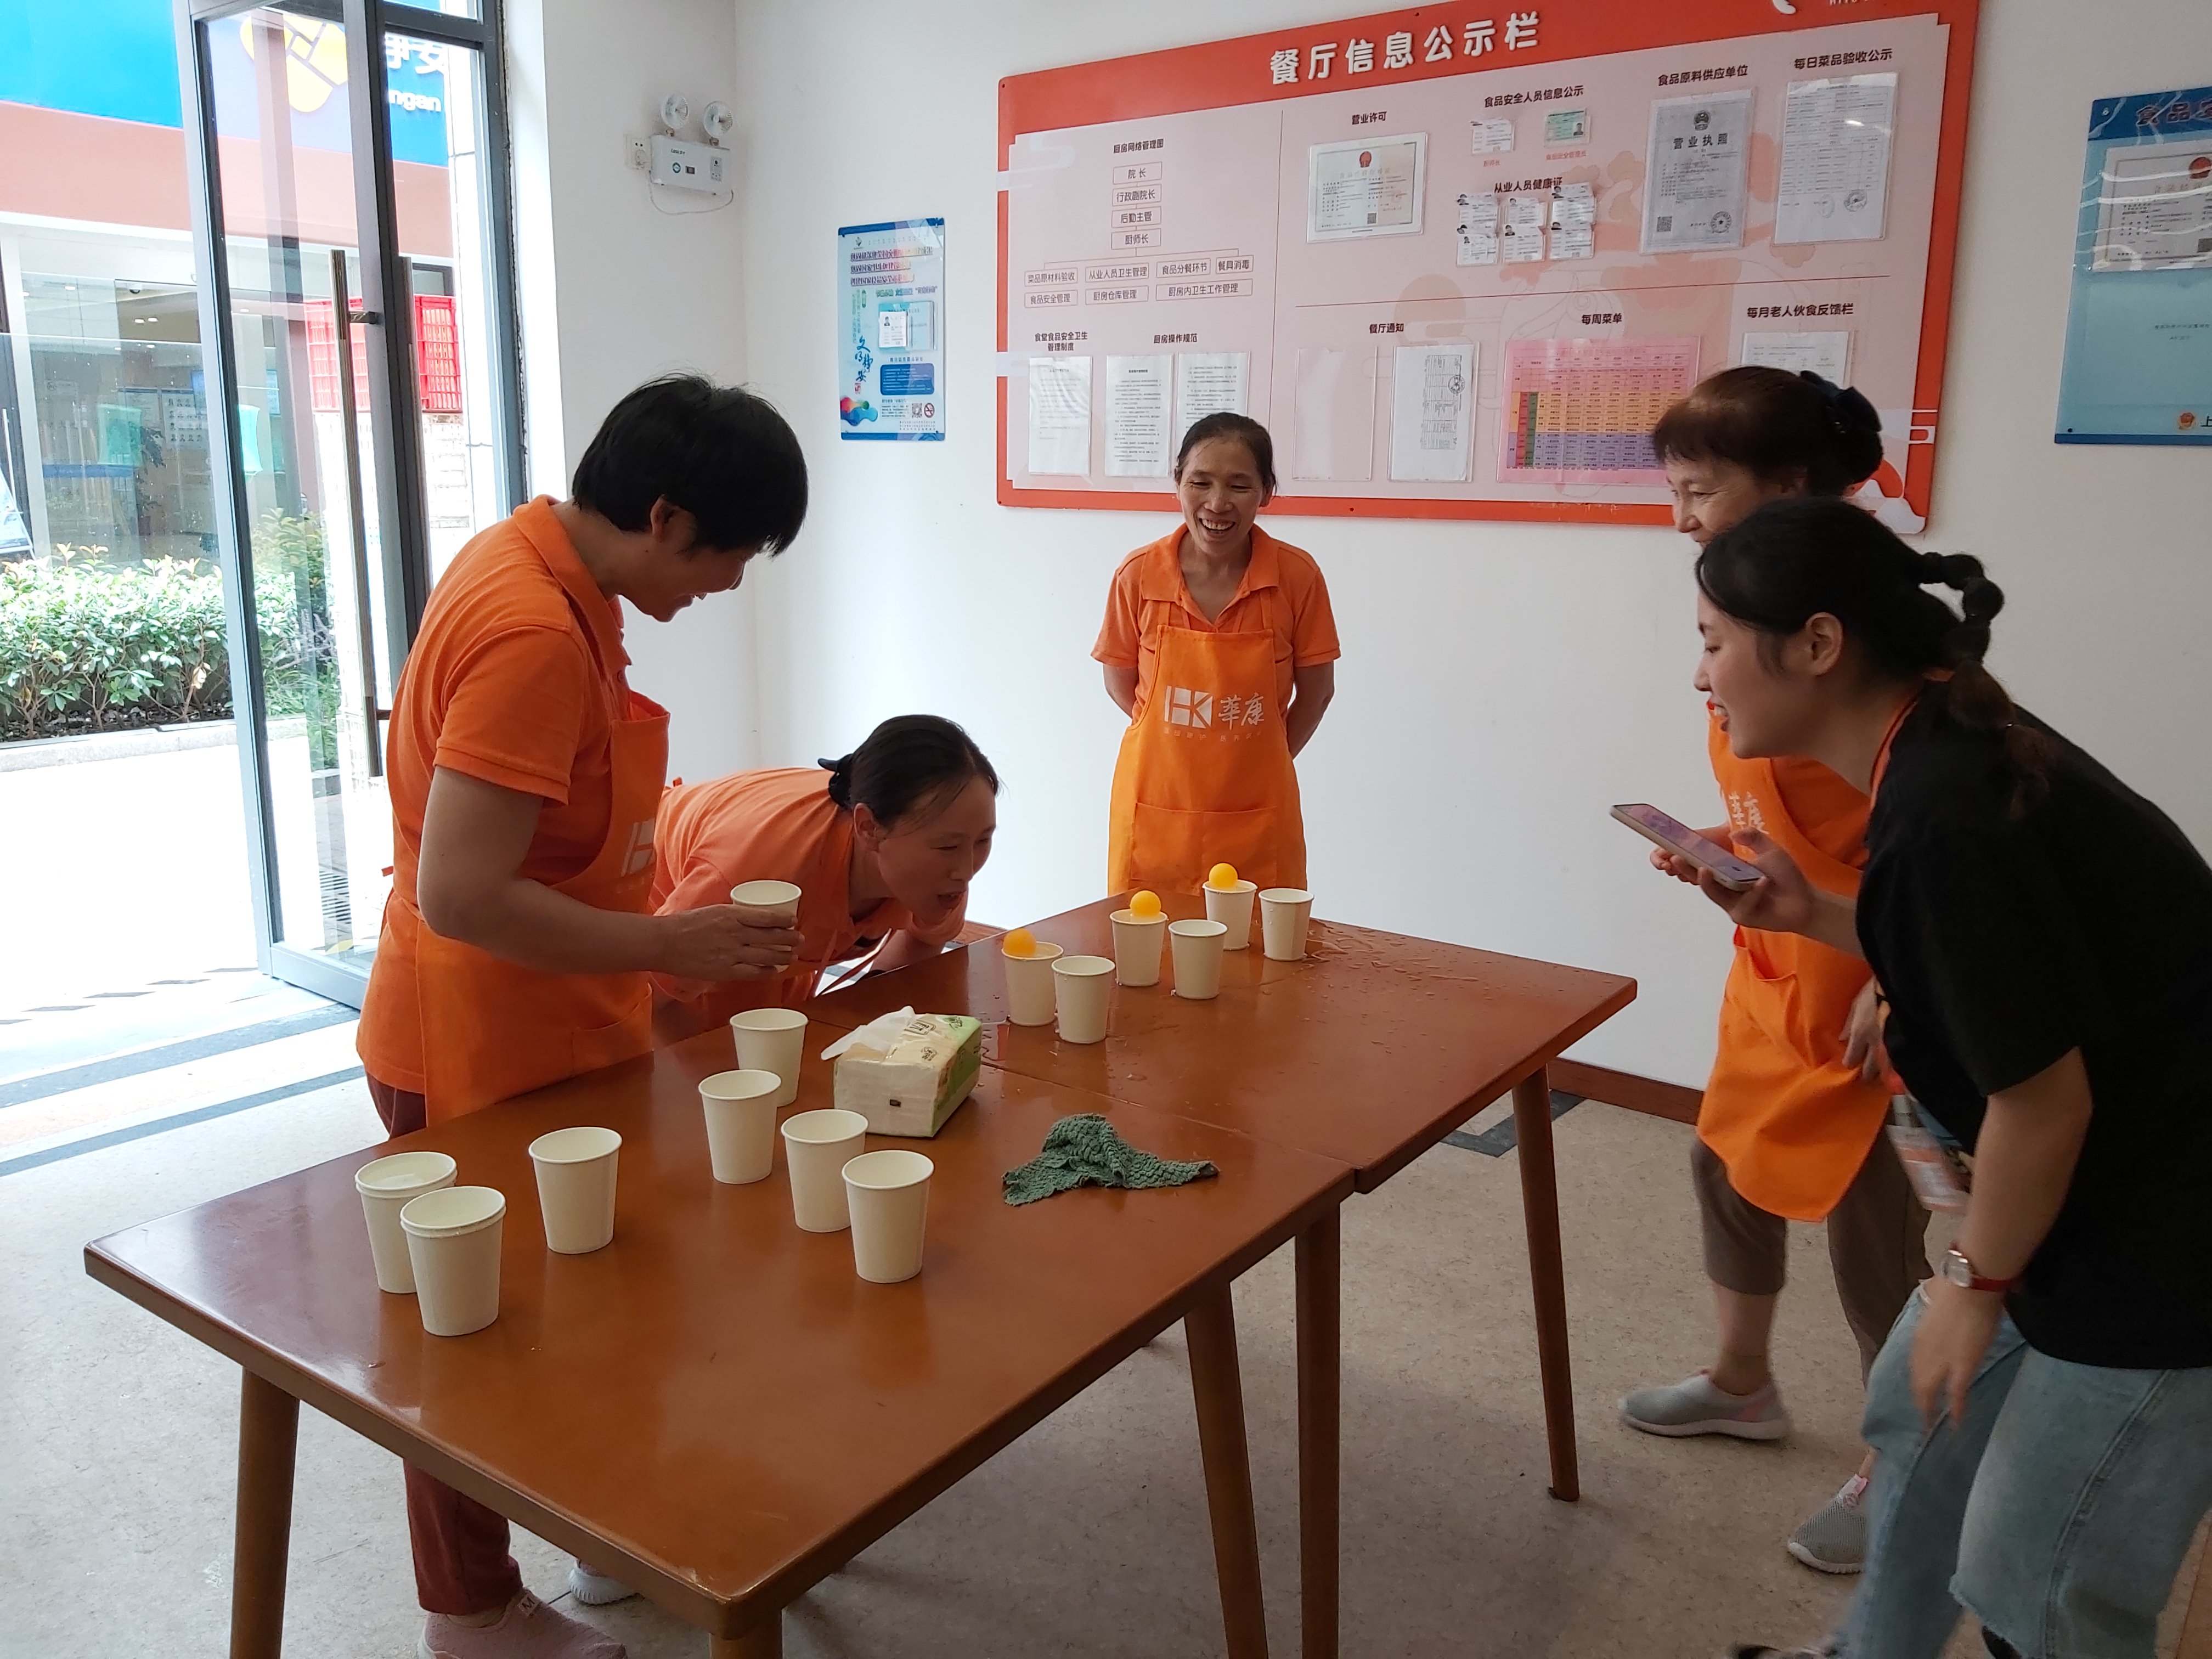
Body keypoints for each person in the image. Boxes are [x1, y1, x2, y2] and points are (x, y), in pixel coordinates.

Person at [1676, 496, 2212, 1659]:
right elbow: (1998, 965)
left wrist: (1975, 1283)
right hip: (2094, 1181)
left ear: (1817, 643)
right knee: (1917, 1416)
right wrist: (1809, 911)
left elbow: (2042, 1099)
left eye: (1713, 640)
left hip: (2163, 1228)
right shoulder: (1939, 749)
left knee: (2041, 1580)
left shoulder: (1941, 811)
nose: (1701, 673)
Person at [356, 375, 809, 1659]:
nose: (731, 582)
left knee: (592, 1306)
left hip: (556, 1021)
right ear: (665, 517)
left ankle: (596, 1528)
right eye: (729, 553)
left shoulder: (553, 574)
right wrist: (671, 942)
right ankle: (471, 1612)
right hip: (474, 1033)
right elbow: (461, 895)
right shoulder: (532, 631)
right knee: (473, 1337)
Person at [1623, 368, 1927, 1576]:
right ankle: (1742, 1379)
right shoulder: (1752, 607)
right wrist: (1728, 851)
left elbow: (1931, 842)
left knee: (1875, 1238)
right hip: (1776, 959)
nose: (1682, 518)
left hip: (1869, 986)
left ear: (1791, 486)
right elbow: (1789, 797)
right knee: (1727, 1159)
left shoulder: (1873, 648)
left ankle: (1904, 1459)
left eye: (1699, 490)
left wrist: (1899, 983)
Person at [1093, 412, 1339, 896]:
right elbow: (1121, 682)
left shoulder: (1297, 578)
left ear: (1266, 492)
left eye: (1239, 486)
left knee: (1259, 939)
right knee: (1148, 937)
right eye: (1200, 482)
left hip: (1259, 816)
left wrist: (1261, 756)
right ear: (1178, 483)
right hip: (1155, 814)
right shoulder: (1138, 575)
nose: (1217, 504)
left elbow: (1317, 692)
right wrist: (1188, 748)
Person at [650, 714, 998, 1022]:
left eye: (983, 840)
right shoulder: (755, 879)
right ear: (869, 828)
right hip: (650, 878)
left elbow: (924, 940)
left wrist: (871, 1016)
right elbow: (647, 994)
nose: (967, 871)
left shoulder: (941, 868)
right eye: (947, 847)